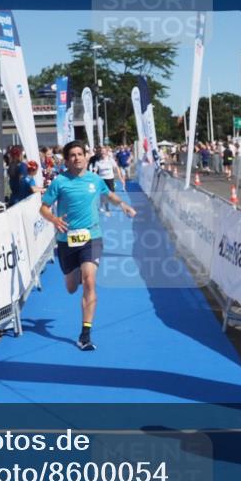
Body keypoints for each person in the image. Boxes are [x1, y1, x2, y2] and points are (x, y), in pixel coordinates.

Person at [40, 141, 136, 351]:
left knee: (90, 281)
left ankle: (85, 335)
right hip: (67, 240)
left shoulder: (95, 179)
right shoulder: (59, 182)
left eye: (80, 154)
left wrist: (123, 204)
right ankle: (70, 273)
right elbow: (44, 208)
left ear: (86, 156)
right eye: (72, 155)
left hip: (92, 237)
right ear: (66, 160)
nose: (77, 158)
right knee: (72, 287)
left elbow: (108, 194)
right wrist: (54, 220)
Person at [91, 146, 119, 215]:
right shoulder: (98, 161)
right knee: (104, 194)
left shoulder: (110, 160)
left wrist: (119, 176)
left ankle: (104, 205)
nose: (103, 153)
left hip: (110, 178)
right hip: (102, 179)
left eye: (104, 151)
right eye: (101, 152)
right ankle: (104, 206)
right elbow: (95, 170)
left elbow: (116, 167)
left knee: (111, 194)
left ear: (106, 152)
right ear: (100, 153)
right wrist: (93, 175)